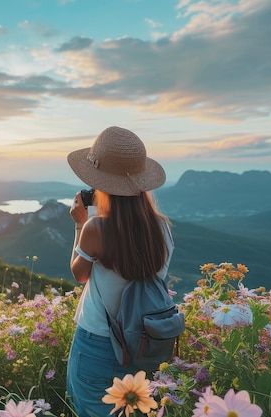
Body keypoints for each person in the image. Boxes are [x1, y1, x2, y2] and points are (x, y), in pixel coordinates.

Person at [65, 126, 173, 417]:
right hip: (144, 341)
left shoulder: (96, 228)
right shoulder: (161, 227)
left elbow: (80, 274)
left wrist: (80, 223)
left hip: (99, 342)